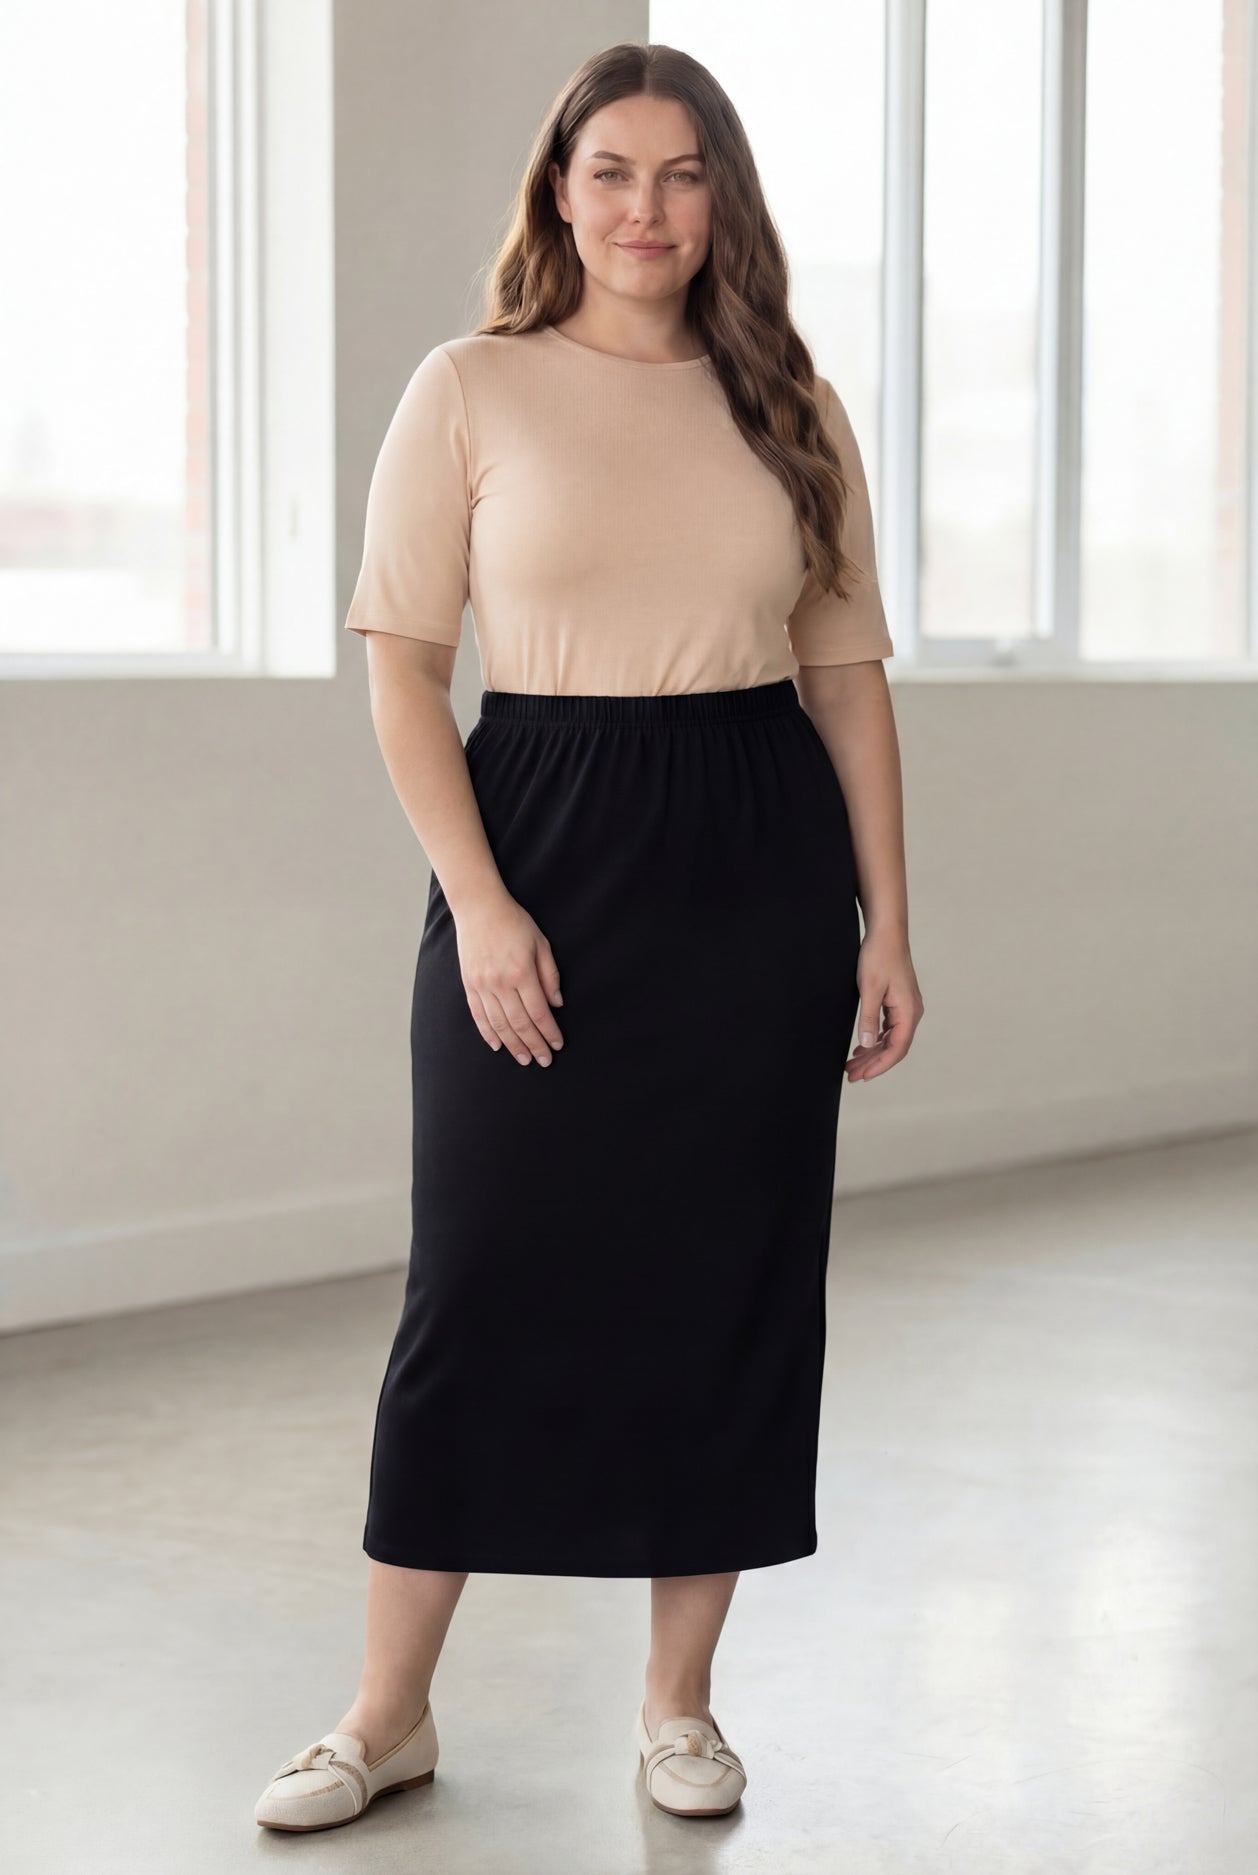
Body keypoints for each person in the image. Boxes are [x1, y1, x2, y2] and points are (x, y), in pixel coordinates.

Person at [255, 41, 924, 1835]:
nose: (646, 207)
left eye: (683, 173)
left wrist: (886, 925)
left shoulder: (789, 401)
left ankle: (677, 1708)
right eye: (613, 170)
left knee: (731, 1284)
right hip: (537, 822)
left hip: (753, 861)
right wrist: (482, 902)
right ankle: (388, 1713)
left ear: (724, 201)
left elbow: (846, 680)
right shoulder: (469, 388)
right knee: (475, 1284)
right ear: (560, 189)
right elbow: (402, 665)